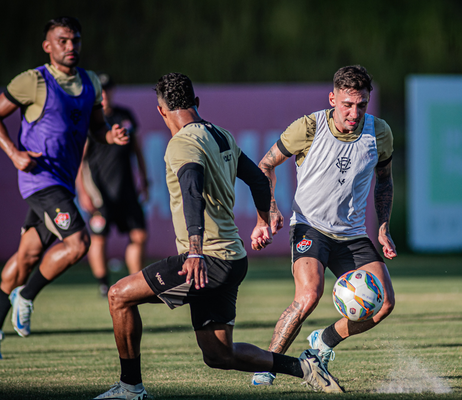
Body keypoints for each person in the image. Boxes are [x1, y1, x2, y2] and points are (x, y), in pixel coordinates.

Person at [93, 73, 343, 399]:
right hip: (232, 260)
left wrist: (194, 250)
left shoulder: (181, 142)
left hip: (204, 259)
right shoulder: (221, 134)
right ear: (196, 103)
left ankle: (130, 389)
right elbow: (256, 178)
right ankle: (304, 368)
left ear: (161, 111)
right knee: (218, 356)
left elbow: (191, 190)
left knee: (118, 296)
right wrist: (268, 213)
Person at [252, 65, 396, 386]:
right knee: (309, 295)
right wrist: (270, 210)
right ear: (333, 99)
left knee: (385, 304)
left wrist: (383, 226)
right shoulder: (309, 127)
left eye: (361, 105)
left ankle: (324, 342)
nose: (354, 113)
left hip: (353, 234)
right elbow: (265, 165)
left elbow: (384, 181)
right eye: (347, 104)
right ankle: (268, 365)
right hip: (310, 227)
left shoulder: (380, 132)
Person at [0, 16, 129, 358]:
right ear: (48, 46)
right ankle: (26, 296)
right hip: (40, 179)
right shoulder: (34, 81)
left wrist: (109, 136)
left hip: (61, 183)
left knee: (27, 255)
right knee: (78, 242)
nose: (70, 47)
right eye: (62, 41)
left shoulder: (89, 83)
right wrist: (14, 153)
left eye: (75, 41)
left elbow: (96, 128)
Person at [77, 73, 149, 296]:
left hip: (126, 189)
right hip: (100, 193)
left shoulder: (124, 116)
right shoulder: (89, 119)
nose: (105, 94)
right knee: (99, 236)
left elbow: (137, 150)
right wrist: (83, 192)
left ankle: (135, 280)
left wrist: (144, 180)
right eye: (101, 89)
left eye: (108, 89)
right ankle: (102, 283)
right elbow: (80, 161)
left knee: (139, 235)